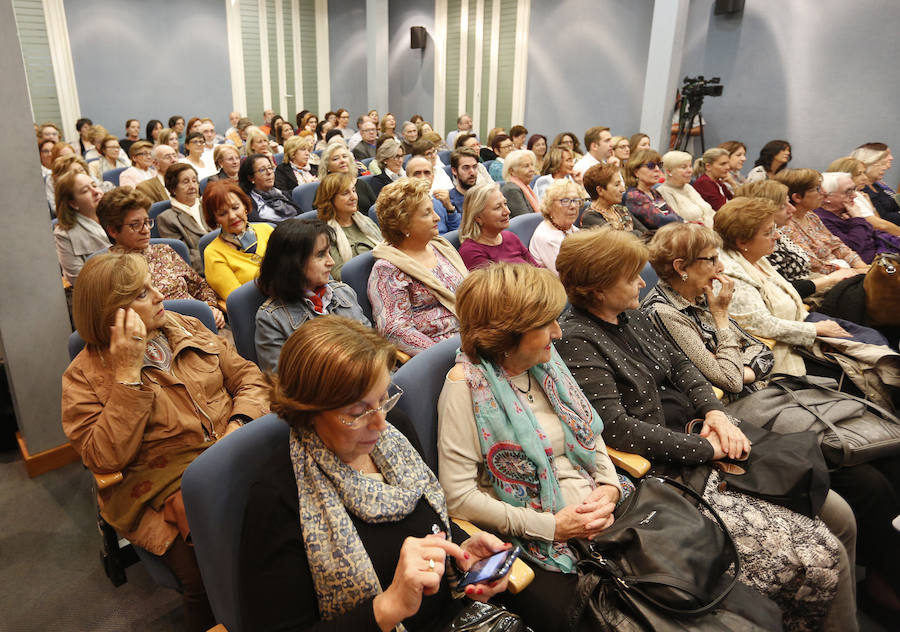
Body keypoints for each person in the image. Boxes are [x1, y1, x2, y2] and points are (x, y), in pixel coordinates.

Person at [553, 228, 855, 632]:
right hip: (670, 470)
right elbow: (619, 430)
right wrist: (706, 448)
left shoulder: (632, 315)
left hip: (704, 436)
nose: (642, 283)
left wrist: (715, 414)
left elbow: (682, 368)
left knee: (839, 511)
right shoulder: (576, 339)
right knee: (822, 553)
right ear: (596, 290)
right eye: (630, 278)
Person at [642, 221, 900, 613]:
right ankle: (880, 581)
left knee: (887, 453)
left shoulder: (701, 298)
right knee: (865, 482)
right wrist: (725, 324)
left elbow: (759, 353)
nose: (720, 268)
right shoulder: (665, 312)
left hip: (765, 395)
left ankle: (882, 567)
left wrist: (739, 363)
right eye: (711, 260)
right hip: (731, 415)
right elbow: (725, 378)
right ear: (681, 266)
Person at [239, 315, 514, 631]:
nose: (380, 423)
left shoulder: (395, 430)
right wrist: (389, 606)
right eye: (358, 413)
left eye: (383, 399)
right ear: (307, 413)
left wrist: (462, 558)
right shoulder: (279, 496)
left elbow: (429, 521)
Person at [62, 252, 268, 632]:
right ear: (112, 316)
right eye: (142, 294)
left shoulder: (185, 325)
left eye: (153, 285)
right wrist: (127, 376)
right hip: (158, 483)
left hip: (234, 446)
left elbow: (249, 379)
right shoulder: (83, 377)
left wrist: (240, 423)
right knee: (205, 579)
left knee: (285, 533)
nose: (160, 296)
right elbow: (104, 459)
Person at [438, 262, 623, 632]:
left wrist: (609, 486)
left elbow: (588, 429)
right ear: (508, 334)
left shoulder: (546, 362)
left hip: (599, 510)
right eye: (546, 324)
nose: (558, 332)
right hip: (535, 539)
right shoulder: (464, 388)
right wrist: (551, 526)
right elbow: (457, 497)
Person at [713, 197, 873, 376]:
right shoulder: (732, 275)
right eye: (768, 232)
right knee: (863, 369)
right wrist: (816, 330)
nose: (778, 236)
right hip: (780, 359)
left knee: (871, 343)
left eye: (774, 228)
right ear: (742, 242)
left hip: (800, 336)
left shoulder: (758, 259)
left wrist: (818, 328)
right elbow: (761, 325)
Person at [97, 187, 225, 328]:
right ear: (113, 231)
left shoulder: (163, 251)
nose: (145, 230)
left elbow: (200, 286)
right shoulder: (109, 272)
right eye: (135, 225)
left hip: (202, 324)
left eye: (146, 222)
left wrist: (211, 307)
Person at [254, 220, 370, 372]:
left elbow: (372, 345)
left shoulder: (343, 292)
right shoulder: (272, 319)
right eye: (321, 255)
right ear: (294, 263)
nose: (331, 261)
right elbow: (283, 384)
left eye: (329, 252)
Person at [370, 178, 468, 356]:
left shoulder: (439, 247)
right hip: (443, 355)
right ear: (403, 224)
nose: (437, 217)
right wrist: (450, 354)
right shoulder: (388, 269)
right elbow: (395, 331)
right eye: (427, 213)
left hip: (473, 334)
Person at [734, 180, 864, 302]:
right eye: (783, 206)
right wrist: (836, 276)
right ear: (762, 210)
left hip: (823, 283)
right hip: (812, 295)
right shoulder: (762, 241)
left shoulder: (786, 228)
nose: (792, 208)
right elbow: (784, 289)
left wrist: (860, 268)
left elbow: (838, 246)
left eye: (789, 202)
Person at [774, 168, 868, 275]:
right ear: (797, 197)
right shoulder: (785, 226)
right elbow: (813, 265)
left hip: (844, 272)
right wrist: (857, 272)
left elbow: (837, 246)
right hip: (827, 279)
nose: (824, 193)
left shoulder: (811, 216)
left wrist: (863, 267)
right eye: (818, 188)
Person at [201, 180, 274, 304]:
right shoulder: (213, 254)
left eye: (235, 207)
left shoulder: (267, 229)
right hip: (263, 311)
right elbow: (240, 302)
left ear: (245, 206)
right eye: (222, 213)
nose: (232, 216)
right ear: (215, 219)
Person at [815, 171, 900, 263]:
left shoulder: (845, 211)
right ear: (826, 197)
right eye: (848, 191)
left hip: (884, 256)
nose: (854, 195)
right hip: (869, 266)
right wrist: (857, 219)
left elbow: (872, 234)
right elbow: (853, 247)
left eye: (854, 189)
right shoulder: (821, 219)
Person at [314, 172, 382, 280]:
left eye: (354, 191)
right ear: (330, 199)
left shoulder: (365, 221)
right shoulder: (326, 234)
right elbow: (339, 274)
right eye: (345, 193)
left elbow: (388, 249)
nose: (353, 197)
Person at [458, 183, 539, 270]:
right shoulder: (471, 252)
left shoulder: (510, 237)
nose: (507, 212)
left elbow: (538, 269)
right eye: (498, 207)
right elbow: (496, 283)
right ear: (478, 217)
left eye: (505, 204)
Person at [53, 172, 111, 286]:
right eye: (85, 191)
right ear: (73, 203)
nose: (95, 192)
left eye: (94, 185)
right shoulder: (64, 234)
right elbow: (78, 279)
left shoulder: (117, 212)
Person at [157, 164, 209, 273]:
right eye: (186, 182)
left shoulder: (209, 204)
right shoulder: (167, 218)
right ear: (173, 188)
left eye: (194, 181)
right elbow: (184, 256)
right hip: (204, 270)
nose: (192, 186)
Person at [528, 179, 581, 275]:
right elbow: (565, 277)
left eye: (576, 200)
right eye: (565, 201)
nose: (573, 206)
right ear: (550, 205)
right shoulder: (547, 237)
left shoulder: (569, 228)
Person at [623, 149, 681, 230]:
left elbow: (676, 216)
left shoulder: (654, 192)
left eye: (659, 165)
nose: (657, 169)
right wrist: (672, 217)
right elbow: (662, 221)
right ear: (636, 172)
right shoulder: (633, 196)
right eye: (651, 165)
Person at [580, 163, 645, 234]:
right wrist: (636, 233)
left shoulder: (620, 209)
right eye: (617, 185)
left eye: (621, 184)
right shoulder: (590, 217)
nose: (623, 189)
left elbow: (645, 233)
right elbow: (617, 239)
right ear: (600, 190)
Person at [239, 153, 302, 223]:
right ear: (250, 177)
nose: (269, 172)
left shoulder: (281, 194)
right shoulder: (247, 201)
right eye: (262, 170)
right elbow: (259, 225)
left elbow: (301, 215)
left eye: (270, 168)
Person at [658, 150, 715, 225]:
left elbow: (710, 212)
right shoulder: (663, 192)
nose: (690, 170)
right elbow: (677, 223)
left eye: (690, 166)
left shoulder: (688, 187)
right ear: (669, 172)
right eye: (684, 167)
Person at [405, 155, 459, 234]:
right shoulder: (403, 206)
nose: (423, 177)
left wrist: (449, 208)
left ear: (432, 177)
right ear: (408, 178)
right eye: (417, 173)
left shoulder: (440, 200)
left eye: (427, 173)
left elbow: (458, 232)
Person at [319, 142, 378, 212]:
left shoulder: (361, 183)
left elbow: (376, 209)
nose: (342, 161)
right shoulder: (325, 189)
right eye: (336, 159)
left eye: (344, 156)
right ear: (327, 166)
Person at [851, 142, 900, 226]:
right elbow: (882, 220)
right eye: (881, 164)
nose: (887, 167)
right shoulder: (860, 190)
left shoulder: (877, 186)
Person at [498, 150, 540, 217]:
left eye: (532, 165)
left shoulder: (525, 187)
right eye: (526, 166)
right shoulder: (511, 190)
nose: (532, 169)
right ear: (512, 171)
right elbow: (526, 220)